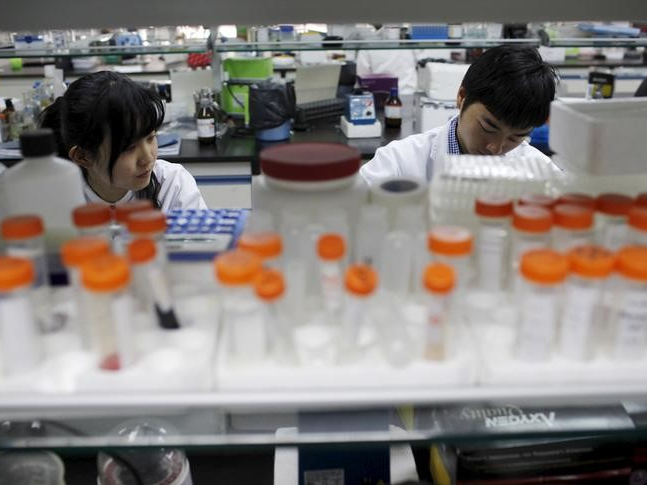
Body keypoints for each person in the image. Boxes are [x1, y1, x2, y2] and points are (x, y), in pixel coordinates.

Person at [360, 45, 557, 185]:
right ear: (462, 98)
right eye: (489, 127)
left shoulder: (541, 171)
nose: (496, 148)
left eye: (516, 137)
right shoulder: (399, 161)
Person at [39, 71, 207, 211]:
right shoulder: (58, 201)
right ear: (83, 156)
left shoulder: (172, 185)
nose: (148, 158)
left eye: (150, 137)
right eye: (129, 147)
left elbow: (203, 246)